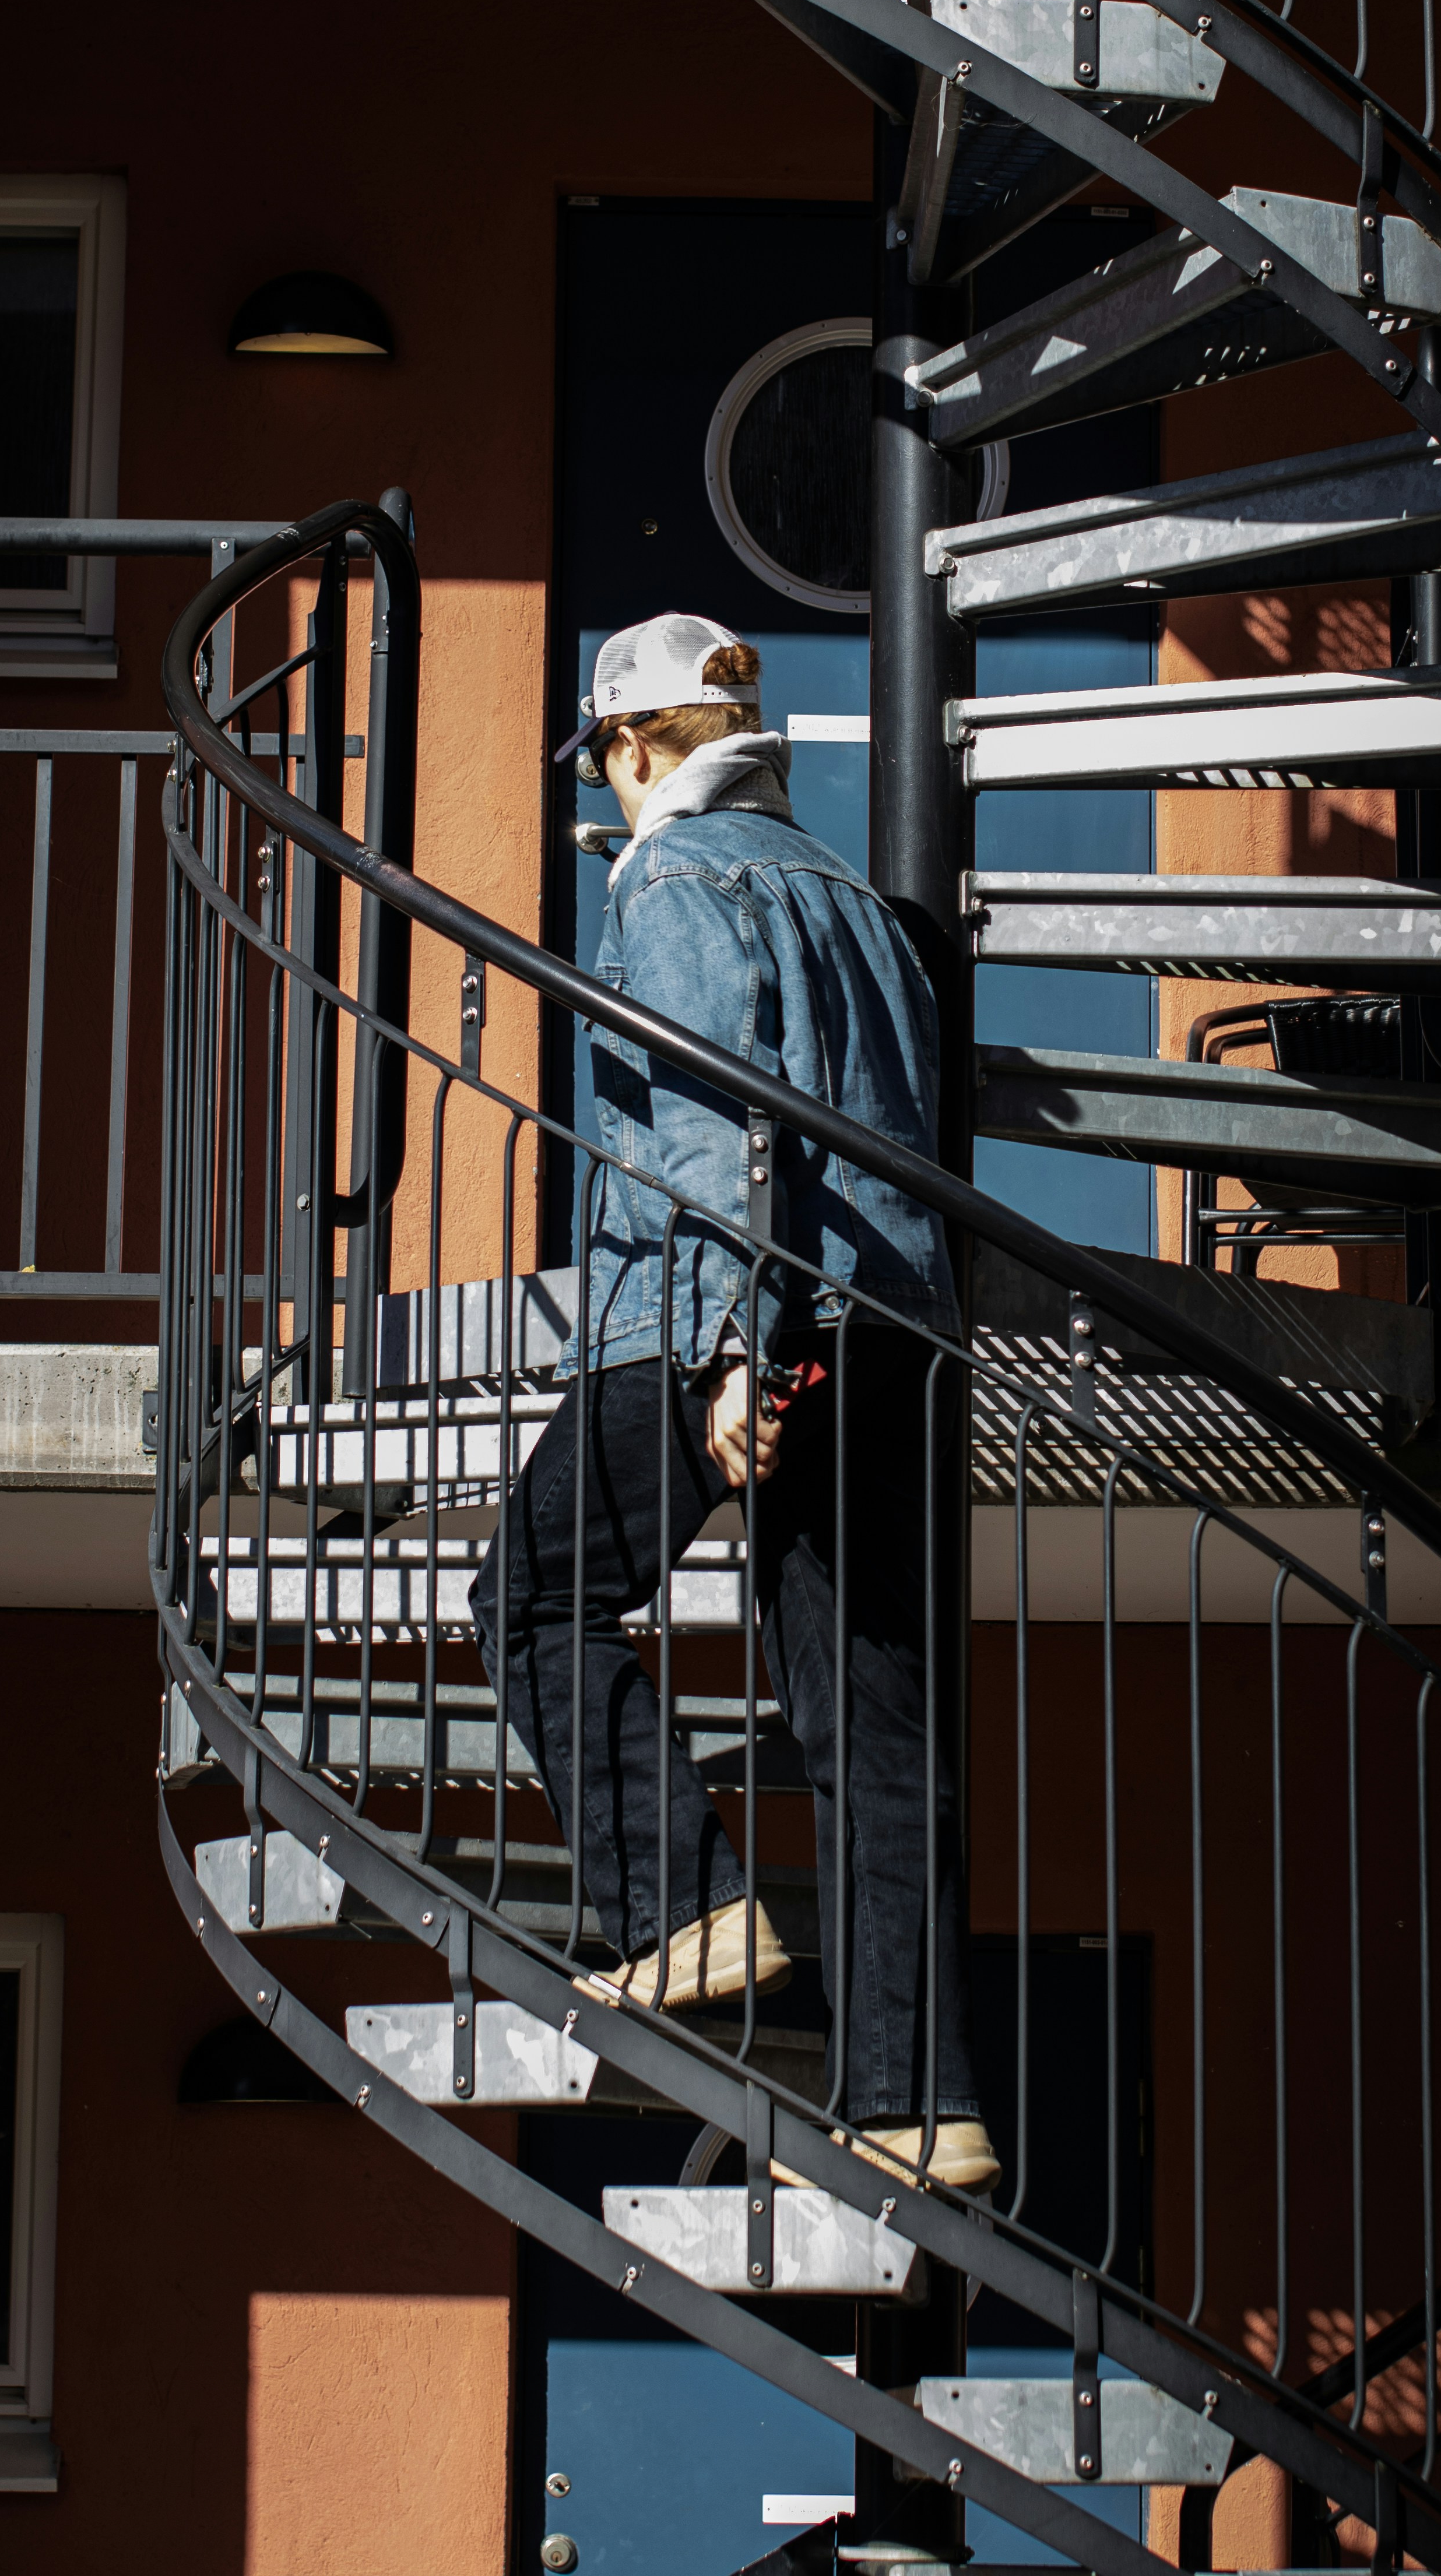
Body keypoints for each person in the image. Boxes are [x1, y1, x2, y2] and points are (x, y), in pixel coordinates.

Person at [470, 611, 997, 2191]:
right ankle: (916, 2108)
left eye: (607, 759)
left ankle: (679, 1905)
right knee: (872, 1719)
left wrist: (727, 1354)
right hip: (896, 1330)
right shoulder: (867, 907)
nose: (608, 792)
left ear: (636, 745)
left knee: (539, 1588)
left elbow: (717, 1121)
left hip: (727, 1316)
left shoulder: (676, 880)